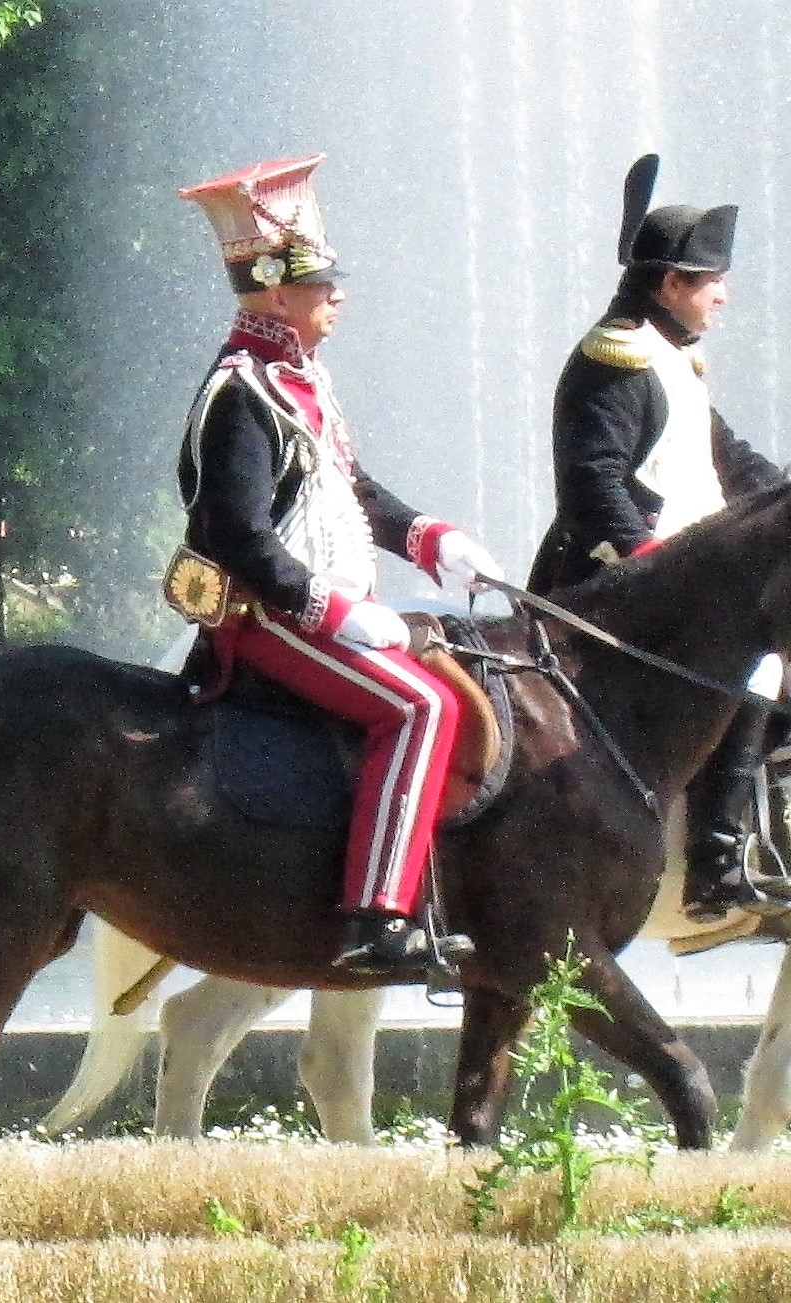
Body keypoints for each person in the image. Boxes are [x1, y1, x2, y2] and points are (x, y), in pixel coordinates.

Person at [171, 153, 503, 977]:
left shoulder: (299, 381)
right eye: (323, 284)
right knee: (421, 708)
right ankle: (375, 915)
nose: (338, 296)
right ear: (277, 294)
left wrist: (433, 540)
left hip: (308, 606)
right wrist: (333, 612)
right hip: (264, 619)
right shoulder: (242, 390)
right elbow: (238, 533)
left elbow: (351, 490)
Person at [528, 154, 790, 925]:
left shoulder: (670, 357)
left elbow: (725, 456)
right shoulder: (614, 360)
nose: (723, 294)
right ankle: (715, 859)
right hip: (617, 583)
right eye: (712, 280)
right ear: (671, 282)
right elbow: (591, 485)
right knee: (756, 660)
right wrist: (646, 564)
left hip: (681, 577)